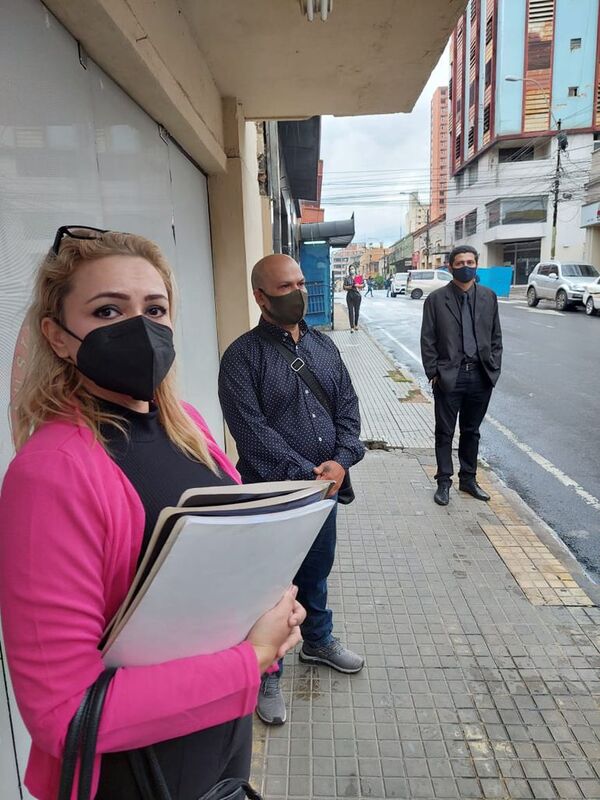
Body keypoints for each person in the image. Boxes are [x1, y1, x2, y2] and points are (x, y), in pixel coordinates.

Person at [0, 227, 306, 800]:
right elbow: (64, 715)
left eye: (155, 308)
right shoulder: (50, 475)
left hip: (217, 756)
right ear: (58, 337)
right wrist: (254, 657)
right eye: (107, 309)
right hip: (134, 779)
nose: (139, 326)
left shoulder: (186, 424)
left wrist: (270, 597)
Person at [218, 254, 365, 727]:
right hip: (272, 496)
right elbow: (252, 430)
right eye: (286, 286)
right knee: (269, 587)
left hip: (323, 494)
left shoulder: (325, 348)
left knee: (317, 571)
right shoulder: (241, 358)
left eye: (301, 282)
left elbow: (348, 411)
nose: (299, 292)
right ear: (261, 297)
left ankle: (319, 641)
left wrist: (341, 463)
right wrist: (308, 473)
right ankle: (266, 670)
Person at [420, 245, 502, 507]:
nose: (465, 266)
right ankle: (444, 482)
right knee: (444, 432)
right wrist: (434, 372)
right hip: (449, 377)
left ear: (476, 264)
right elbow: (428, 339)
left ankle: (469, 479)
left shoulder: (489, 297)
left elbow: (496, 337)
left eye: (470, 261)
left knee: (471, 431)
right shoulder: (436, 300)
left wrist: (493, 369)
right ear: (450, 267)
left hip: (480, 376)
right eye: (459, 262)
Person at [343, 266, 362, 332]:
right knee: (350, 312)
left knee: (357, 311)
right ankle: (352, 327)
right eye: (350, 269)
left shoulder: (358, 277)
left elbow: (362, 285)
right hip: (349, 295)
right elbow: (344, 287)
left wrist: (357, 285)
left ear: (355, 269)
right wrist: (350, 287)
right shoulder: (347, 278)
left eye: (353, 269)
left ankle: (356, 324)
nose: (352, 270)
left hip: (357, 295)